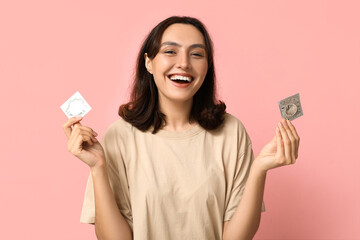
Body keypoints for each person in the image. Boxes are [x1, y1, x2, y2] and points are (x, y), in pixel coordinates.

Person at [62, 16, 300, 240]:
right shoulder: (120, 136)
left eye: (196, 54)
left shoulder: (231, 132)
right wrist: (98, 167)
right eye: (170, 51)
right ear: (149, 62)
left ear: (207, 68)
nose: (184, 63)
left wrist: (259, 170)